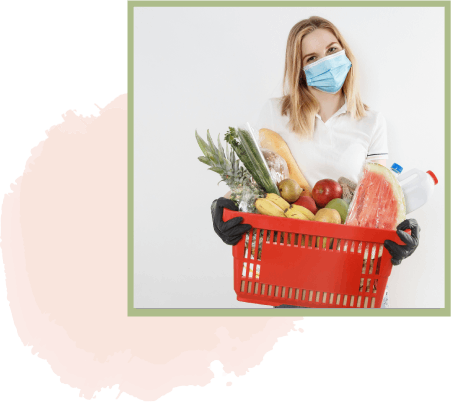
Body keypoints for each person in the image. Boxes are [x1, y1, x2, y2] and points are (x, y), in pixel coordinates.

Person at [211, 16, 420, 308]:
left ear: (345, 52)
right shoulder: (275, 113)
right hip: (292, 268)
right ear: (300, 70)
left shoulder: (371, 122)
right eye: (312, 57)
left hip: (353, 270)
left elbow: (378, 198)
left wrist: (401, 234)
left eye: (333, 50)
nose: (326, 62)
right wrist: (224, 208)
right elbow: (255, 178)